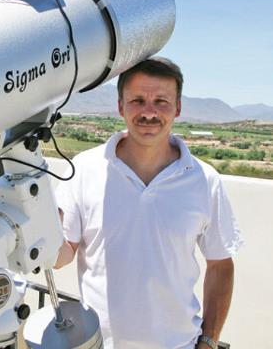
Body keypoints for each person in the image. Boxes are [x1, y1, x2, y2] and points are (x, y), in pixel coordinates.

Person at [54, 57, 243, 349]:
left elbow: (220, 265)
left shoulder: (204, 180)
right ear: (121, 106)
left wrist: (208, 341)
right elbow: (60, 257)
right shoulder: (83, 169)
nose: (149, 112)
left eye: (161, 101)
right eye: (138, 100)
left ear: (178, 107)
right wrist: (34, 223)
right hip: (99, 343)